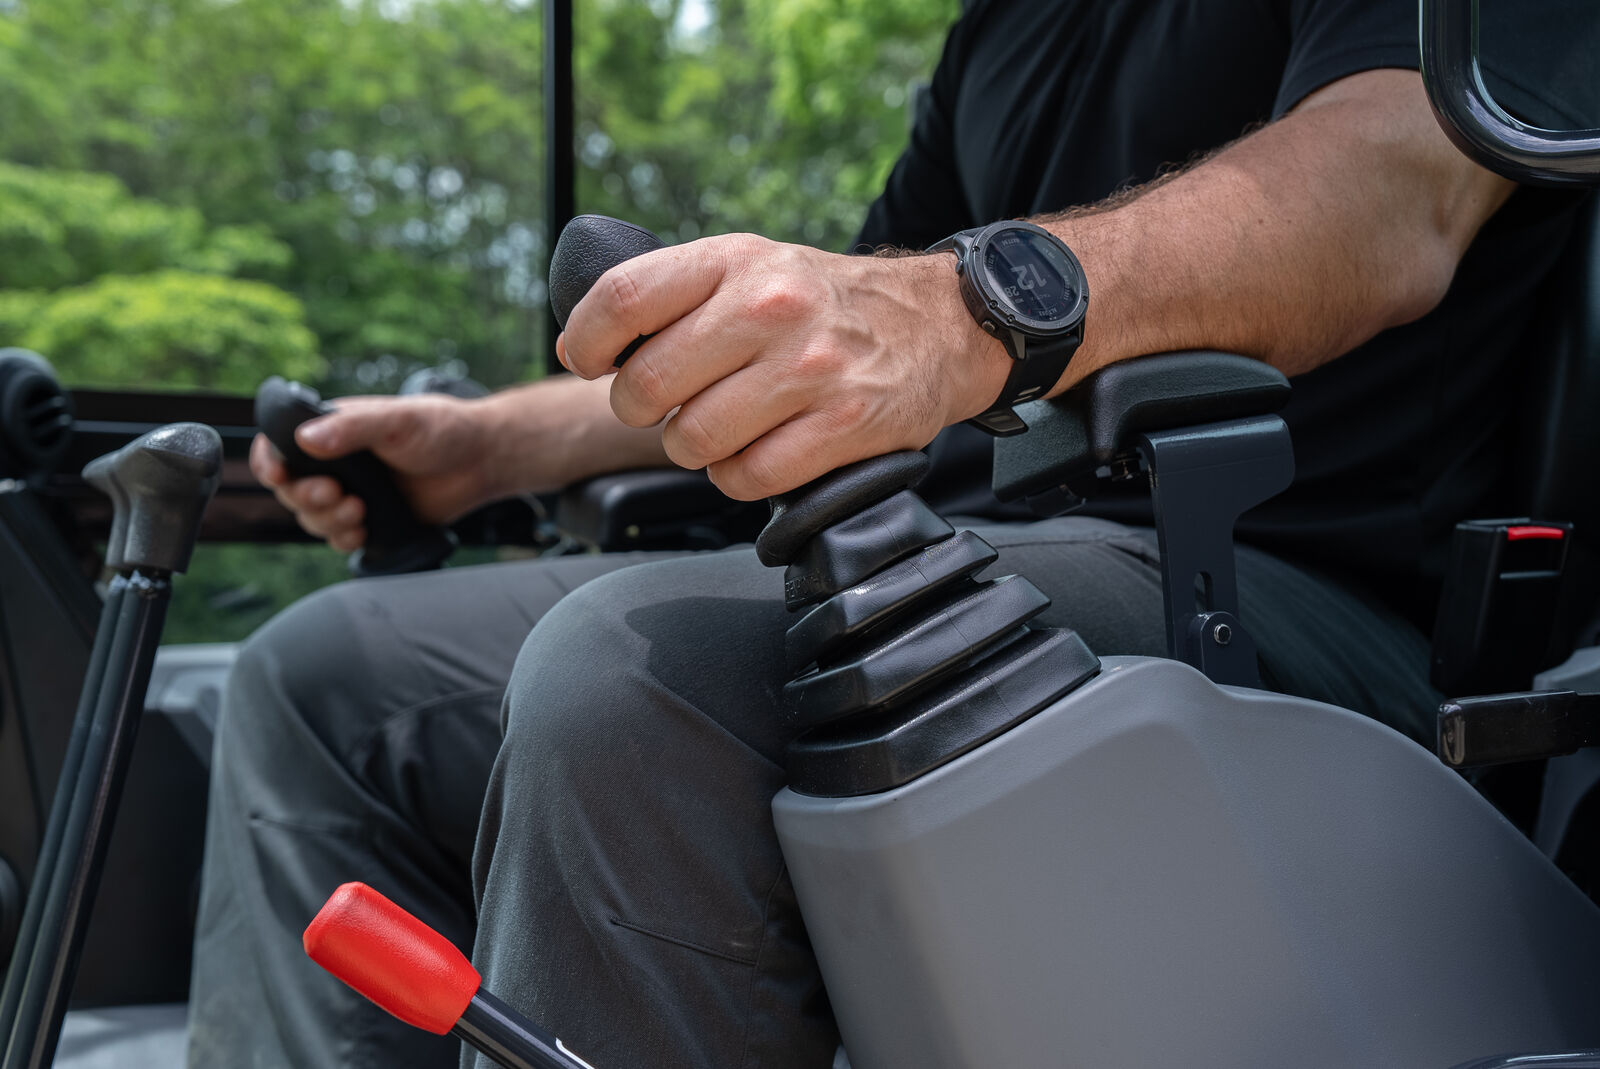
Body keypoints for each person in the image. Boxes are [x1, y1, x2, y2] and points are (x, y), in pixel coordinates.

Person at [185, 1, 1599, 1066]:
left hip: (1296, 585)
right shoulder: (1009, 27)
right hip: (985, 540)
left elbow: (1390, 194)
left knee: (634, 679)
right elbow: (851, 311)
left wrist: (969, 309)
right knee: (321, 676)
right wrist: (488, 445)